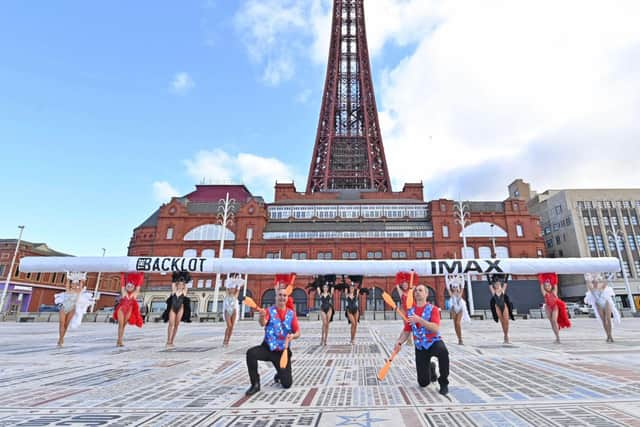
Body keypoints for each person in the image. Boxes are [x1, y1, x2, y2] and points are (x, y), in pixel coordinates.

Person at [393, 284, 449, 395]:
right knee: (423, 383)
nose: (417, 292)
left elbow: (435, 328)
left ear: (426, 294)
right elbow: (406, 331)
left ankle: (443, 382)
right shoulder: (410, 312)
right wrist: (399, 342)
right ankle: (431, 368)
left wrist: (420, 320)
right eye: (416, 291)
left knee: (443, 351)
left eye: (420, 290)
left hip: (433, 342)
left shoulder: (433, 309)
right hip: (420, 346)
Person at [245, 285, 301, 396]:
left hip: (282, 352)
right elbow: (263, 323)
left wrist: (293, 336)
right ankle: (255, 384)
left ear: (287, 298)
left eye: (284, 295)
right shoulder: (269, 311)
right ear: (276, 297)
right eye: (280, 295)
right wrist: (261, 317)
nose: (282, 297)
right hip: (268, 348)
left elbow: (298, 332)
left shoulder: (291, 314)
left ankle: (279, 374)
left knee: (287, 384)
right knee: (251, 353)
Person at [54, 271, 94, 347]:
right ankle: (61, 339)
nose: (74, 285)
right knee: (61, 324)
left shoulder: (78, 291)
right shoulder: (68, 290)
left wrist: (83, 276)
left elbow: (82, 283)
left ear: (78, 285)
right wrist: (69, 274)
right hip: (64, 307)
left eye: (76, 284)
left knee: (66, 324)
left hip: (72, 309)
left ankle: (61, 338)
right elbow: (68, 280)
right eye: (72, 284)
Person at [584, 272, 620, 342]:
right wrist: (589, 278)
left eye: (597, 281)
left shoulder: (601, 283)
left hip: (605, 301)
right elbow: (589, 285)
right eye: (594, 282)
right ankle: (608, 335)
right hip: (598, 303)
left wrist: (602, 278)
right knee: (603, 320)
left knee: (608, 319)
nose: (595, 282)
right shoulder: (590, 286)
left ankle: (610, 335)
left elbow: (605, 282)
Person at [113, 272, 144, 347]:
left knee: (123, 325)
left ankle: (120, 340)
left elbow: (139, 285)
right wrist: (122, 275)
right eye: (128, 286)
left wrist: (141, 276)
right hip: (121, 310)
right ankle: (119, 341)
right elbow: (123, 283)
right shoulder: (124, 293)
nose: (129, 287)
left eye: (131, 286)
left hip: (128, 311)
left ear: (133, 287)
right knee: (120, 325)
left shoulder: (135, 294)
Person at [162, 271, 192, 348]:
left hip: (180, 308)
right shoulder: (174, 291)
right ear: (177, 284)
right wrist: (177, 276)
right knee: (171, 324)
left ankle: (172, 340)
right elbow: (173, 282)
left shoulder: (184, 292)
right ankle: (168, 340)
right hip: (173, 308)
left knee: (176, 325)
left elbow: (187, 283)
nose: (180, 285)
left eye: (182, 284)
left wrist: (184, 276)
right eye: (179, 284)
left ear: (183, 285)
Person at [538, 272, 571, 343]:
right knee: (551, 322)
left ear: (551, 285)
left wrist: (554, 274)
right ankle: (556, 336)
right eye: (546, 286)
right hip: (548, 307)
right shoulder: (545, 293)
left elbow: (555, 283)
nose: (547, 287)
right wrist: (541, 275)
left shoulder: (554, 292)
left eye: (548, 285)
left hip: (555, 306)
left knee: (554, 320)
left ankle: (558, 338)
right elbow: (541, 284)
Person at [488, 274, 515, 344]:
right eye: (495, 284)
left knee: (506, 321)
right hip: (498, 307)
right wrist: (487, 275)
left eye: (498, 284)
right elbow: (490, 285)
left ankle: (506, 335)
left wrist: (508, 274)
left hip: (504, 306)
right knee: (502, 322)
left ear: (500, 284)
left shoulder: (502, 290)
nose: (496, 285)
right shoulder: (494, 292)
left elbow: (506, 283)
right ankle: (505, 336)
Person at [445, 274, 471, 345]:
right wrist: (446, 277)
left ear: (458, 287)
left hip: (460, 308)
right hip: (454, 309)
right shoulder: (451, 294)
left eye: (456, 287)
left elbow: (462, 285)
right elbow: (447, 287)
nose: (455, 288)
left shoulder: (460, 293)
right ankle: (459, 339)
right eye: (453, 287)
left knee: (458, 323)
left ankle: (461, 339)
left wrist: (461, 276)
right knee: (455, 325)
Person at [343, 275, 368, 345]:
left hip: (356, 310)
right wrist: (343, 277)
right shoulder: (347, 294)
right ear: (349, 288)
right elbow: (345, 285)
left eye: (352, 288)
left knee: (355, 325)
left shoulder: (356, 294)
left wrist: (361, 277)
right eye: (350, 288)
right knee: (353, 323)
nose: (352, 289)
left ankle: (353, 339)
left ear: (354, 288)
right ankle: (352, 338)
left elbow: (359, 286)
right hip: (349, 310)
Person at [312, 274, 336, 346]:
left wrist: (333, 278)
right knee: (324, 323)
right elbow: (317, 286)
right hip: (323, 308)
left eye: (326, 287)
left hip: (329, 308)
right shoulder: (321, 294)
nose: (325, 288)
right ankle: (322, 338)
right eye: (324, 287)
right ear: (323, 288)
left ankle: (325, 339)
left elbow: (333, 285)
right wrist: (316, 277)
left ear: (327, 288)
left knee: (327, 324)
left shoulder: (330, 293)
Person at [222, 274, 245, 347]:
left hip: (234, 310)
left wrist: (237, 280)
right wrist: (233, 278)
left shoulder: (236, 294)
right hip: (227, 310)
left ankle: (228, 341)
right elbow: (227, 285)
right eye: (231, 288)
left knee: (232, 327)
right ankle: (225, 339)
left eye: (233, 288)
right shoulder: (227, 293)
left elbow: (238, 286)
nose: (232, 289)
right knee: (229, 325)